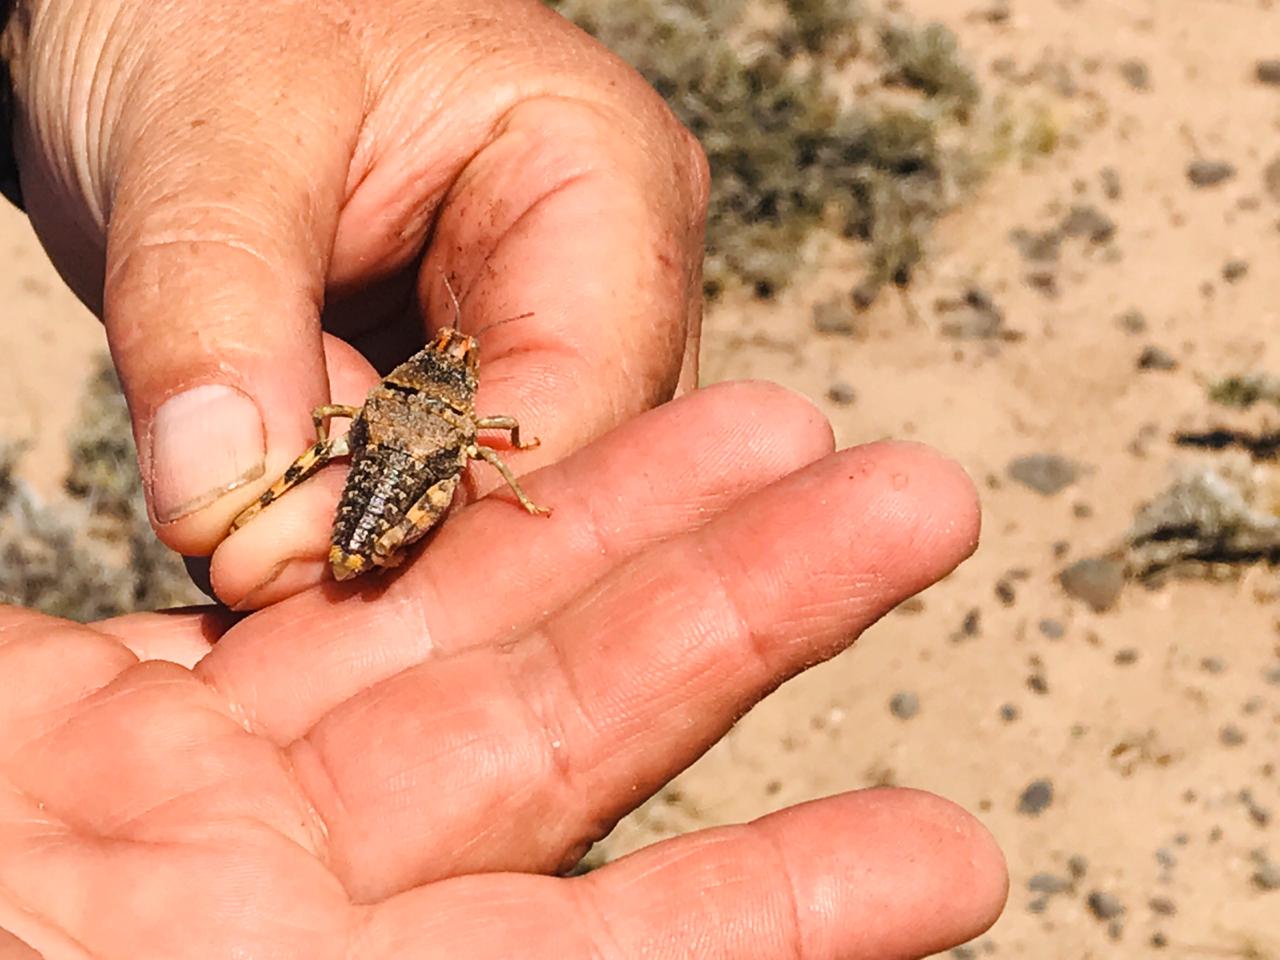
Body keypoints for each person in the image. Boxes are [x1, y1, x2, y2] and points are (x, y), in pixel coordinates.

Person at [0, 0, 1008, 954]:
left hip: (394, 459)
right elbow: (493, 438)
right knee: (374, 472)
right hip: (395, 469)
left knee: (375, 467)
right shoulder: (455, 409)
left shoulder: (424, 393)